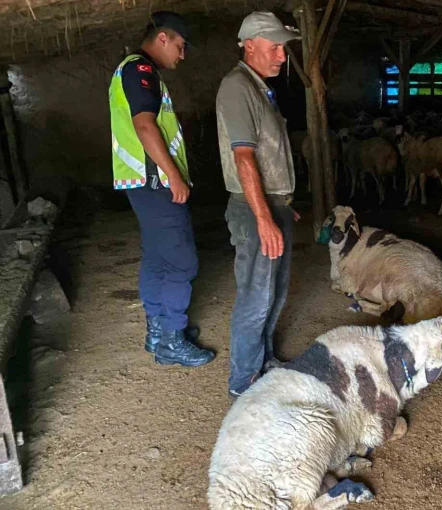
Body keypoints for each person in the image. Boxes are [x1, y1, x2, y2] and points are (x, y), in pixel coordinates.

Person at [109, 11, 215, 367]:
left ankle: (157, 330)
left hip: (140, 180)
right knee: (182, 260)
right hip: (154, 179)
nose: (181, 56)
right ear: (163, 38)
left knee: (157, 255)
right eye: (180, 46)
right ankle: (171, 338)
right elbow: (144, 126)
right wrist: (173, 175)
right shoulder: (140, 70)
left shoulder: (131, 69)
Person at [215, 12, 301, 398]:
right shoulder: (237, 87)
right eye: (275, 47)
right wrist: (265, 217)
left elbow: (268, 156)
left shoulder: (259, 87)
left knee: (274, 293)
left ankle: (262, 362)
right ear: (250, 44)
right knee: (256, 296)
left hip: (270, 205)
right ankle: (243, 383)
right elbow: (244, 158)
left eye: (284, 47)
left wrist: (282, 202)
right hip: (254, 211)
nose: (282, 55)